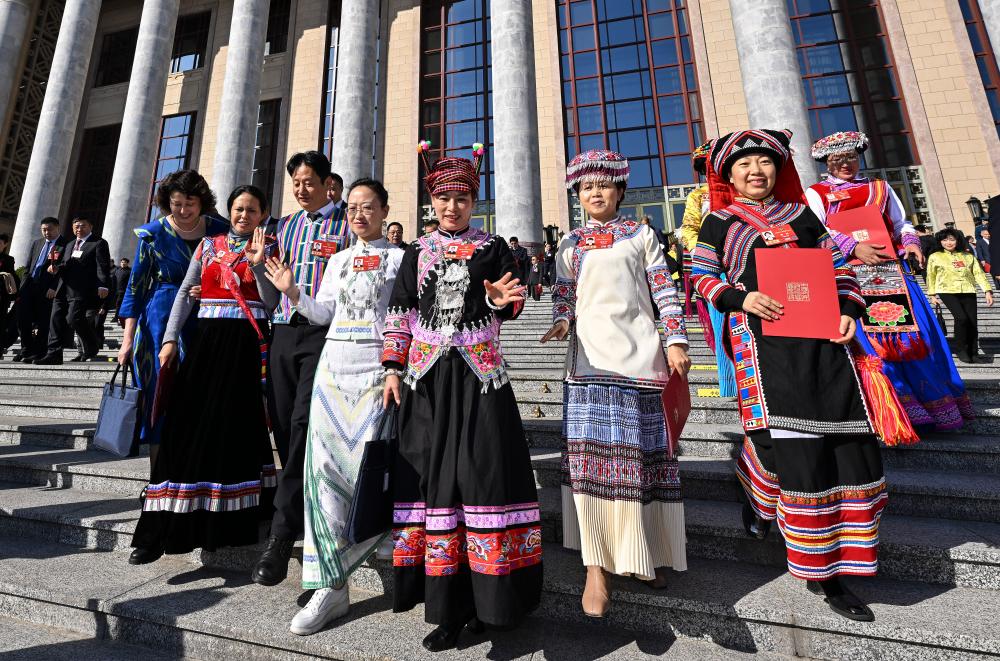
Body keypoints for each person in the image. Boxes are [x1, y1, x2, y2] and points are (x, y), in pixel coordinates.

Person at [693, 128, 884, 622]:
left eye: (764, 162)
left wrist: (849, 311)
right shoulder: (719, 221)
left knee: (844, 448)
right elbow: (701, 276)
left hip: (825, 344)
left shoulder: (801, 215)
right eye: (743, 165)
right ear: (729, 175)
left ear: (777, 169)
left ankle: (834, 571)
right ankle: (794, 536)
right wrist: (741, 298)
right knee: (789, 447)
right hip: (763, 346)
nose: (755, 171)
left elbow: (841, 269)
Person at [380, 142, 542, 652]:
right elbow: (401, 311)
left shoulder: (493, 247)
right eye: (444, 199)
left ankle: (490, 605)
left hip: (480, 382)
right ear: (432, 202)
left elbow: (509, 300)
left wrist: (500, 302)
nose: (452, 207)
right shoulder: (416, 251)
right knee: (436, 487)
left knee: (482, 482)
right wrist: (392, 367)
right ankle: (447, 610)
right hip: (426, 384)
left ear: (474, 202)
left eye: (463, 199)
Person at [541, 149, 690, 618]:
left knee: (642, 464)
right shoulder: (570, 243)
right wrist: (562, 321)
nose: (595, 193)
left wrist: (676, 340)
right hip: (589, 365)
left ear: (620, 191)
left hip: (642, 361)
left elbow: (664, 288)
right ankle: (596, 567)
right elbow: (564, 295)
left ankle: (646, 553)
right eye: (586, 187)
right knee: (595, 469)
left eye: (604, 185)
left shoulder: (641, 235)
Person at [263, 177, 404, 635]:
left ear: (384, 211)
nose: (359, 214)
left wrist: (395, 368)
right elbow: (324, 313)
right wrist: (292, 293)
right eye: (353, 208)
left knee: (367, 465)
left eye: (368, 207)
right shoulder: (339, 259)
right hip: (333, 368)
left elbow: (404, 319)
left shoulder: (402, 259)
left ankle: (370, 540)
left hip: (375, 371)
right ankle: (330, 586)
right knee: (324, 469)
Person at [129, 185, 278, 565]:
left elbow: (272, 301)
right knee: (183, 425)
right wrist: (169, 339)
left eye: (252, 210)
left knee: (233, 429)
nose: (244, 215)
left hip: (245, 345)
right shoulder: (209, 245)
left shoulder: (270, 246)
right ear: (229, 211)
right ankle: (159, 530)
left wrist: (257, 264)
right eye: (238, 209)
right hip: (206, 342)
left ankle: (226, 526)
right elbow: (183, 293)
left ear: (263, 215)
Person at [806, 131, 971, 432]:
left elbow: (901, 223)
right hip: (850, 278)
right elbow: (815, 231)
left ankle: (928, 406)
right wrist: (853, 247)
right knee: (869, 344)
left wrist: (911, 243)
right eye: (838, 159)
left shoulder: (879, 188)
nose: (846, 164)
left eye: (851, 158)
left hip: (893, 271)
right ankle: (887, 409)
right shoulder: (816, 193)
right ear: (827, 162)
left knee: (914, 339)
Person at [253, 150, 351, 587]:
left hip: (322, 334)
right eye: (295, 182)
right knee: (281, 421)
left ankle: (282, 532)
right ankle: (297, 503)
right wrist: (258, 267)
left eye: (309, 181)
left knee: (301, 424)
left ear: (328, 184)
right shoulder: (285, 227)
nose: (301, 189)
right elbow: (271, 294)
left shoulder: (346, 224)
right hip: (283, 331)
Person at [117, 170, 229, 462]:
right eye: (177, 204)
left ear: (202, 202)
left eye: (190, 204)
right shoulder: (152, 234)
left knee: (201, 391)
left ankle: (194, 469)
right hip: (159, 320)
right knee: (159, 393)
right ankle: (158, 473)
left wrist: (212, 287)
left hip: (207, 317)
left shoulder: (220, 230)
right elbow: (136, 288)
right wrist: (127, 340)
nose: (183, 210)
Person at [679, 140, 737, 399]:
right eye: (706, 167)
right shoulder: (698, 196)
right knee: (721, 326)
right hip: (716, 270)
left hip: (746, 266)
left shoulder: (741, 191)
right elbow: (689, 229)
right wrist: (704, 253)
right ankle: (731, 385)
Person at [35, 218, 110, 365]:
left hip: (80, 289)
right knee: (55, 319)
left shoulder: (98, 243)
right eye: (76, 227)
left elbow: (102, 265)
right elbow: (65, 264)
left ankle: (92, 343)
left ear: (91, 226)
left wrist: (103, 285)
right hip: (63, 287)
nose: (79, 229)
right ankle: (54, 353)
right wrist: (56, 268)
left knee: (73, 319)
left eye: (82, 226)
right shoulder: (70, 244)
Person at [927, 228, 994, 363]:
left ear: (957, 241)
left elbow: (979, 274)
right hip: (946, 291)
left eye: (952, 239)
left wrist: (987, 291)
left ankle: (973, 353)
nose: (948, 242)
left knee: (972, 321)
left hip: (968, 289)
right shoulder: (935, 257)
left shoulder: (968, 256)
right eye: (945, 240)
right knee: (961, 318)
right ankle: (961, 349)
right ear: (940, 242)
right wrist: (932, 294)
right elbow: (931, 275)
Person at [13, 218, 67, 363]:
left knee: (44, 322)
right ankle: (26, 349)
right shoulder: (37, 243)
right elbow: (28, 266)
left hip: (47, 289)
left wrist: (54, 287)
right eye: (44, 230)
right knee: (22, 319)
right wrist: (22, 288)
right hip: (29, 286)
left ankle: (38, 352)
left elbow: (65, 269)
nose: (46, 232)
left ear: (57, 228)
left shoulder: (65, 245)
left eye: (49, 229)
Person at [0, 234, 19, 358]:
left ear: (5, 244)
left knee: (1, 321)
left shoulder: (8, 259)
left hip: (2, 295)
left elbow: (12, 275)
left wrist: (17, 294)